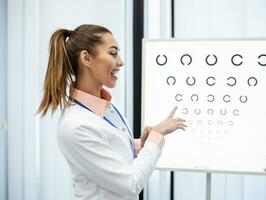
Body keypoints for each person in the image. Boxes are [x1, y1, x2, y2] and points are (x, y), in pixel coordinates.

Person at [37, 24, 187, 200]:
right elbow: (130, 184)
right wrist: (156, 138)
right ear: (86, 58)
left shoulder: (106, 104)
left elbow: (111, 150)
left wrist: (141, 145)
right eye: (113, 53)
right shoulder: (75, 126)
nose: (121, 62)